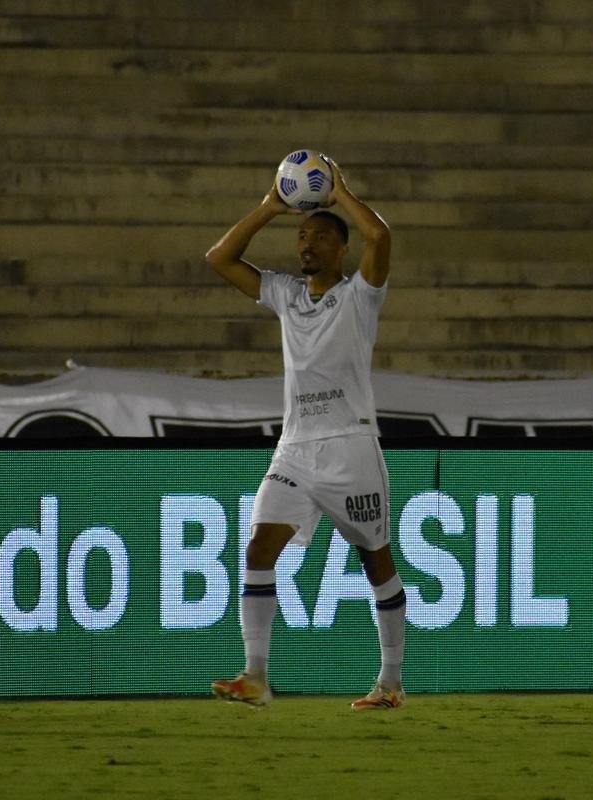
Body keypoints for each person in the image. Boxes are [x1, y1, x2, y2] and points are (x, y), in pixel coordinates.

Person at [205, 157, 406, 709]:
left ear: (340, 248)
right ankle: (255, 675)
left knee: (376, 561)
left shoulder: (361, 295)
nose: (307, 243)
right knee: (258, 548)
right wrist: (269, 207)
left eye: (319, 235)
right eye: (301, 234)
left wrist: (340, 195)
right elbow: (219, 258)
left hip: (350, 446)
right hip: (294, 448)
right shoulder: (285, 294)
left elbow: (381, 235)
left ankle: (390, 682)